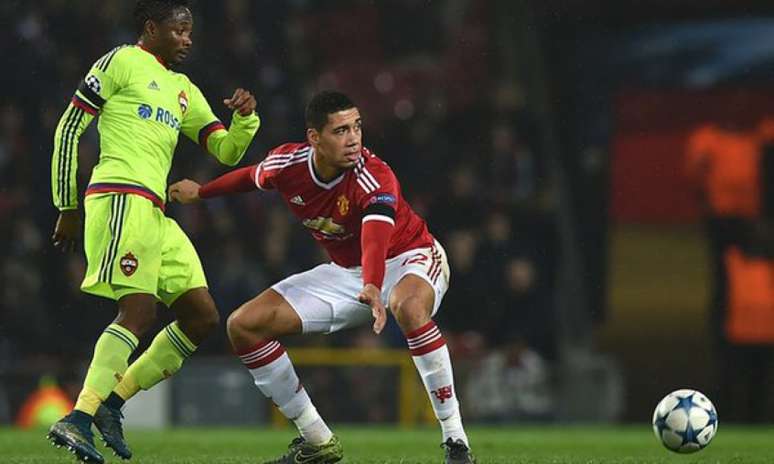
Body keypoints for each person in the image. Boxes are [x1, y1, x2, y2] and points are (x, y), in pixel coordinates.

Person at [169, 91, 475, 464]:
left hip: (410, 258)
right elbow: (251, 177)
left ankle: (456, 441)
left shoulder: (374, 176)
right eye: (341, 130)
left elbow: (375, 240)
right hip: (347, 274)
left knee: (408, 307)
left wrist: (374, 286)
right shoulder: (288, 163)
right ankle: (316, 440)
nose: (354, 139)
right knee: (243, 325)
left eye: (357, 127)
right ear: (315, 138)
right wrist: (202, 192)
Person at [48, 1, 260, 462]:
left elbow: (225, 150)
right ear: (151, 28)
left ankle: (112, 403)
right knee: (138, 312)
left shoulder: (182, 89)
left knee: (202, 317)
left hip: (156, 214)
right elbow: (68, 129)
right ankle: (78, 417)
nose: (187, 39)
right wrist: (66, 205)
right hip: (120, 197)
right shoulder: (122, 61)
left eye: (190, 31)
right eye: (179, 30)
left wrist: (244, 119)